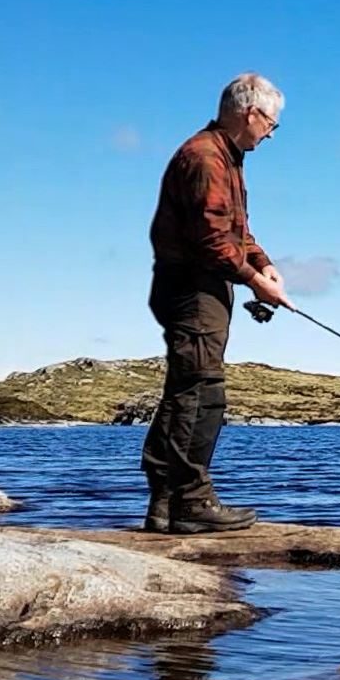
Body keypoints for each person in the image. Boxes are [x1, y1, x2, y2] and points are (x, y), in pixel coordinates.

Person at [140, 72, 293, 534]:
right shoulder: (206, 158)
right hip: (192, 289)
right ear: (252, 114)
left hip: (201, 288)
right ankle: (191, 501)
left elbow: (236, 231)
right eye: (272, 125)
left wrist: (262, 263)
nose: (270, 134)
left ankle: (168, 507)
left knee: (192, 391)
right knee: (200, 394)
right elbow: (211, 240)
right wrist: (254, 281)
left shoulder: (226, 157)